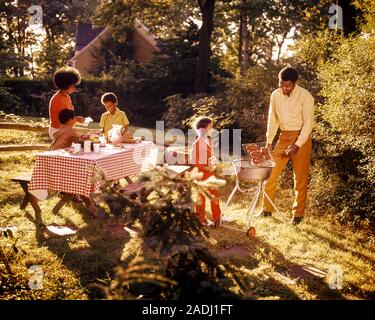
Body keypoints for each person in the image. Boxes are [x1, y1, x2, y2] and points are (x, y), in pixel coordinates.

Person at [260, 67, 315, 225]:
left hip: (301, 138)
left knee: (300, 178)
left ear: (295, 84)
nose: (284, 88)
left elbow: (308, 124)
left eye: (287, 85)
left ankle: (297, 215)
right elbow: (272, 119)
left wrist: (297, 144)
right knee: (271, 173)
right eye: (281, 84)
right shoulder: (276, 95)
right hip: (284, 137)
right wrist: (269, 141)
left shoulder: (306, 96)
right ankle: (266, 210)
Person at [190, 116, 221, 228]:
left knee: (214, 195)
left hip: (210, 173)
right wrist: (205, 168)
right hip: (201, 174)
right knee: (201, 197)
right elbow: (193, 161)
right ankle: (200, 219)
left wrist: (214, 164)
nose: (211, 129)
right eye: (210, 127)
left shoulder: (209, 141)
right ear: (204, 127)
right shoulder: (196, 143)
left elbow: (212, 157)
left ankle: (217, 218)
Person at [49, 67, 85, 139]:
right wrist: (76, 119)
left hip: (64, 130)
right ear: (65, 85)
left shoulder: (67, 97)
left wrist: (76, 119)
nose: (74, 88)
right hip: (58, 130)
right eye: (72, 86)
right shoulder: (57, 99)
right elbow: (63, 120)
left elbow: (68, 116)